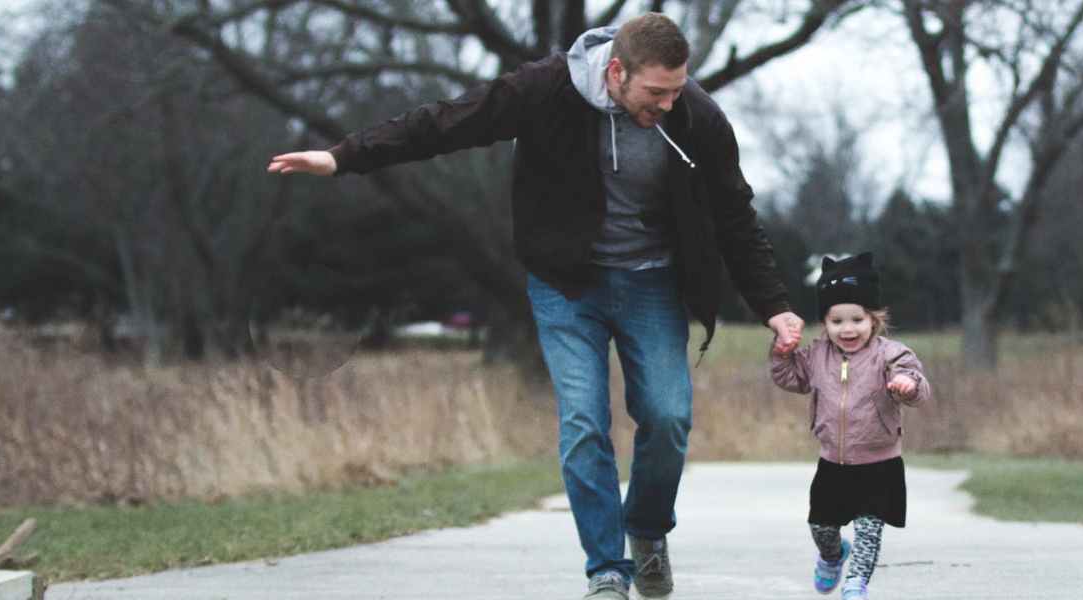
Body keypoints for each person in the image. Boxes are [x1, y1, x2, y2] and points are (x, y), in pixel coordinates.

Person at [266, 12, 804, 600]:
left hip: (652, 283)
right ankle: (606, 569)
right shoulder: (545, 89)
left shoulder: (697, 115)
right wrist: (343, 157)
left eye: (677, 90)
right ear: (616, 72)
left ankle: (647, 532)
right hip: (567, 285)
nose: (668, 105)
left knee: (669, 418)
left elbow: (734, 214)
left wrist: (773, 305)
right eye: (656, 93)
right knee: (582, 423)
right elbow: (447, 122)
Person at [770, 253, 930, 600]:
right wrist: (782, 352)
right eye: (836, 321)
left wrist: (907, 384)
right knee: (821, 527)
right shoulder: (816, 356)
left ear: (874, 319)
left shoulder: (890, 354)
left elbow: (918, 384)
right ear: (825, 324)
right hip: (833, 464)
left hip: (880, 464)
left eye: (857, 319)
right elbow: (788, 377)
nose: (847, 329)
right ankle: (832, 555)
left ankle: (856, 585)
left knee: (870, 531)